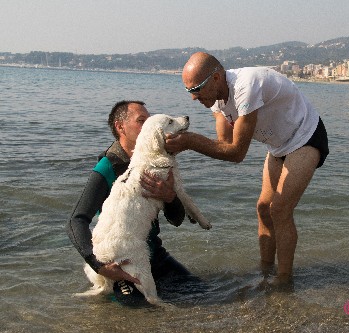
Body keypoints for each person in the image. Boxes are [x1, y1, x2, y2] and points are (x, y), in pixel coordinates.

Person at [164, 52, 329, 287]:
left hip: (306, 135)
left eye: (197, 89)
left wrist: (190, 142)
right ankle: (264, 273)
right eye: (189, 91)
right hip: (279, 145)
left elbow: (237, 153)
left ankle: (284, 281)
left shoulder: (246, 87)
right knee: (264, 208)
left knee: (280, 209)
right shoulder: (216, 100)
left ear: (217, 78)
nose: (193, 98)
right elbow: (224, 143)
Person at [67, 100, 195, 305]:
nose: (150, 125)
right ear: (120, 127)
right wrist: (98, 265)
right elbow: (76, 220)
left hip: (155, 255)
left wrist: (169, 197)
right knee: (140, 310)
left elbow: (177, 220)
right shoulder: (107, 167)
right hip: (122, 262)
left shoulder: (156, 163)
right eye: (141, 121)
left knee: (203, 293)